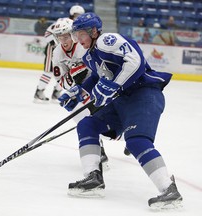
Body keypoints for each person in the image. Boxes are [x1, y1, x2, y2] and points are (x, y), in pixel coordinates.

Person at [58, 12, 183, 209]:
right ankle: (93, 177)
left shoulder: (107, 40)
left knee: (136, 141)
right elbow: (97, 78)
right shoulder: (90, 55)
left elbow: (136, 60)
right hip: (122, 101)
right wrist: (78, 90)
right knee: (87, 124)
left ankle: (169, 189)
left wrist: (114, 85)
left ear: (93, 31)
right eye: (76, 35)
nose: (77, 40)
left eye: (81, 34)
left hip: (143, 94)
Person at [51, 17, 113, 168]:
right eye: (59, 37)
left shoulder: (83, 45)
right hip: (80, 89)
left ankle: (125, 137)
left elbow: (98, 68)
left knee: (108, 118)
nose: (63, 40)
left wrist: (81, 73)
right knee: (79, 115)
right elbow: (60, 79)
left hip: (97, 85)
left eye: (66, 36)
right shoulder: (57, 53)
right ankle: (99, 150)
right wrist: (73, 79)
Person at [33, 5, 85, 103]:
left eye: (80, 15)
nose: (78, 17)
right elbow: (48, 33)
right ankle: (39, 92)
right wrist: (55, 44)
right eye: (76, 14)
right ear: (71, 14)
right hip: (53, 49)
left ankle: (56, 92)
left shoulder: (77, 25)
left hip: (69, 50)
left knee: (66, 73)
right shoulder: (63, 21)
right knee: (48, 71)